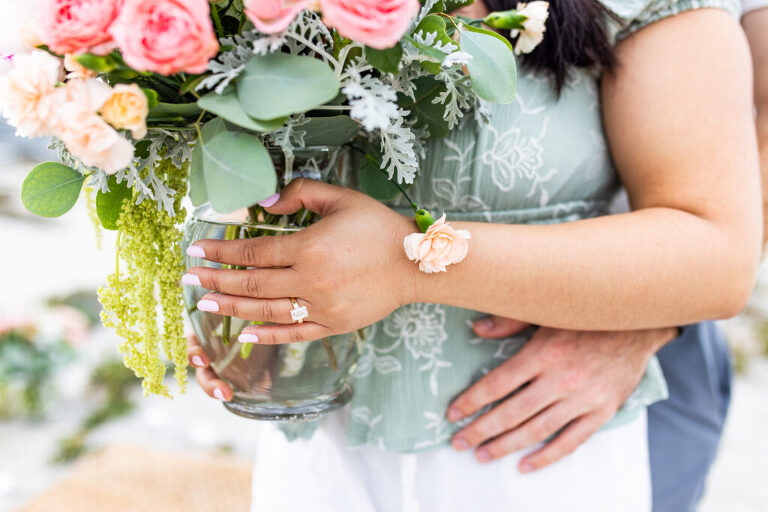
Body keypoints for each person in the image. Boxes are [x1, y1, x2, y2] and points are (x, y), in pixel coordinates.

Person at [186, 0, 761, 510]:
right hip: (321, 452)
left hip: (535, 451)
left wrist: (407, 261)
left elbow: (716, 250)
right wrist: (245, 293)